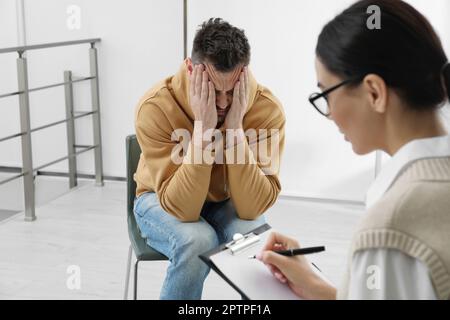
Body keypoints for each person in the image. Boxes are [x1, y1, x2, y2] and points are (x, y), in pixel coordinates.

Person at [257, 0, 450, 300]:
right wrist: (319, 288)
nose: (329, 112)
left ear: (374, 92)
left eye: (326, 93)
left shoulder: (393, 224)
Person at [133, 18, 285, 299]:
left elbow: (252, 209)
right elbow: (183, 209)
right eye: (214, 91)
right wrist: (203, 130)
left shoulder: (267, 109)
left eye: (231, 90)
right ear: (191, 70)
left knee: (254, 238)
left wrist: (235, 131)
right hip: (158, 198)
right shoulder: (155, 106)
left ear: (244, 73)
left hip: (226, 200)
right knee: (198, 240)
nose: (225, 103)